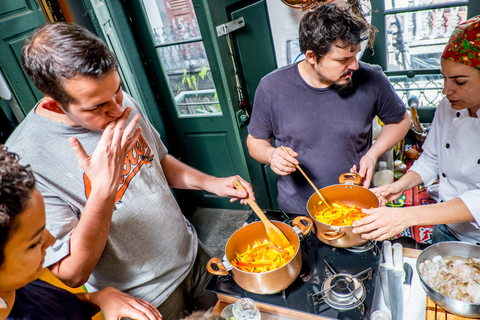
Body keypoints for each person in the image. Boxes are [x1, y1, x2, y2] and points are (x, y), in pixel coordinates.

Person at [5, 22, 254, 320]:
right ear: (55, 105)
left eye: (118, 90)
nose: (117, 109)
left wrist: (213, 183)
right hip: (144, 297)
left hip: (192, 255)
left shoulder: (115, 100)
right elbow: (72, 274)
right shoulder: (26, 159)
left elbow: (157, 161)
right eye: (96, 107)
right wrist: (103, 193)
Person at [246, 3, 410, 214]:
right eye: (343, 60)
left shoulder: (373, 79)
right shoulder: (271, 87)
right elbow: (255, 142)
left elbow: (400, 120)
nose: (355, 66)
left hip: (355, 204)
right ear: (311, 56)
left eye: (355, 55)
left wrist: (372, 154)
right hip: (298, 210)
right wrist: (271, 155)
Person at [351, 16, 480, 244]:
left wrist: (405, 217)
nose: (445, 90)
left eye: (459, 82)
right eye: (444, 78)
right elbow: (431, 158)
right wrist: (399, 186)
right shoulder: (448, 107)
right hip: (447, 226)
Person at [0, 147, 162, 320]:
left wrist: (98, 297)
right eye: (33, 244)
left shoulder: (15, 283)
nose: (51, 239)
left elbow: (56, 306)